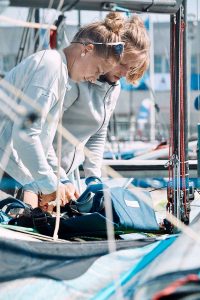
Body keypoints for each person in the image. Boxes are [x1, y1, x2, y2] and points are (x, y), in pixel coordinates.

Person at [23, 13, 150, 210]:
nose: (125, 73)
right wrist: (56, 177)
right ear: (112, 53)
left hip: (67, 176)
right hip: (38, 171)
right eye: (123, 64)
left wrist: (93, 177)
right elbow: (44, 132)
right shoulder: (74, 80)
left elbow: (98, 134)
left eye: (131, 68)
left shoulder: (113, 89)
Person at [0, 12, 125, 207]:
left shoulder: (59, 73)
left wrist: (58, 180)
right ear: (87, 50)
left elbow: (42, 139)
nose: (93, 78)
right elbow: (25, 134)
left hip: (9, 169)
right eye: (97, 70)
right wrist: (50, 185)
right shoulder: (50, 66)